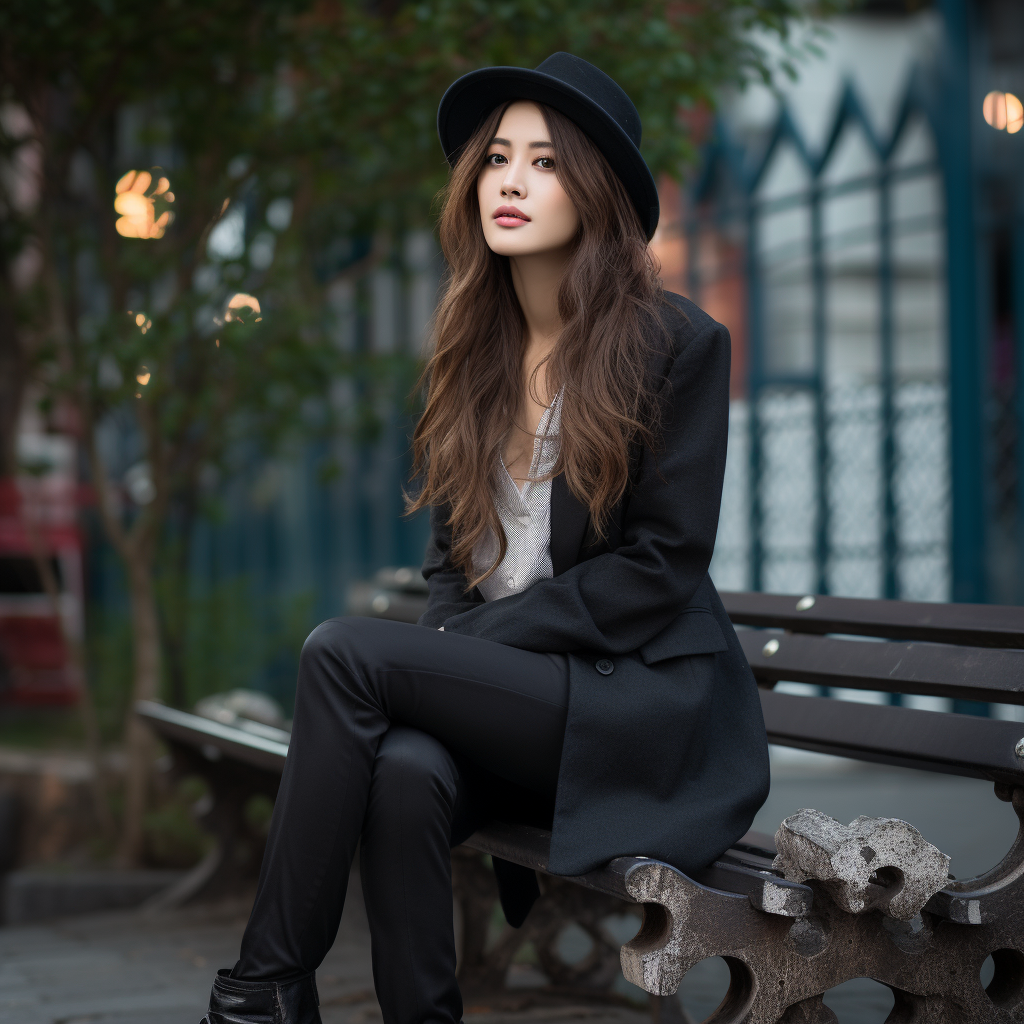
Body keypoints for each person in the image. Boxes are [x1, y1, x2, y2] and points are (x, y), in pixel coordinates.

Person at [202, 52, 769, 1024]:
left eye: (544, 162)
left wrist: (463, 651)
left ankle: (260, 989)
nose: (508, 179)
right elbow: (450, 565)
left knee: (341, 651)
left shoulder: (675, 345)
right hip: (520, 696)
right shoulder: (471, 355)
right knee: (406, 770)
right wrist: (454, 648)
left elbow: (660, 568)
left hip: (629, 702)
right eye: (497, 157)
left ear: (594, 189)